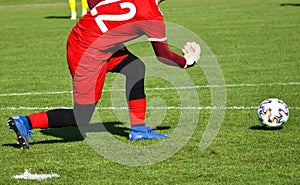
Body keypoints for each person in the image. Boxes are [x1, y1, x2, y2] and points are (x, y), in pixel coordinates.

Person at [8, 0, 201, 149]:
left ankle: (139, 130)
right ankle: (25, 121)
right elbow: (163, 56)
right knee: (82, 117)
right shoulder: (152, 15)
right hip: (87, 52)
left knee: (135, 68)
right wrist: (188, 61)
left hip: (96, 43)